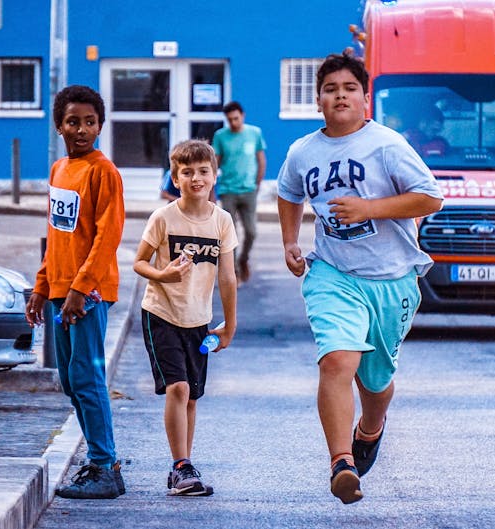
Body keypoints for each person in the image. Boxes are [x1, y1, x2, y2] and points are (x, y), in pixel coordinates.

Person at [277, 49, 444, 505]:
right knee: (336, 361)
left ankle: (370, 428)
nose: (340, 96)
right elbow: (288, 192)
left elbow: (431, 198)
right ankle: (341, 462)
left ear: (365, 98)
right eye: (330, 89)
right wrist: (291, 241)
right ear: (318, 101)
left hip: (391, 279)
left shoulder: (386, 145)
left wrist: (370, 208)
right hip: (332, 272)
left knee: (375, 380)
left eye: (349, 88)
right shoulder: (302, 151)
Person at [24, 85, 126, 499]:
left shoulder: (104, 172)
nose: (81, 130)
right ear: (59, 125)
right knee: (69, 379)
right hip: (59, 291)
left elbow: (107, 238)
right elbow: (56, 234)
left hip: (88, 293)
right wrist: (42, 285)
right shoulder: (59, 170)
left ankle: (105, 464)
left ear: (100, 125)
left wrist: (82, 289)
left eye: (89, 122)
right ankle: (100, 461)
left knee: (87, 376)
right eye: (73, 122)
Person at [133, 139, 238, 496]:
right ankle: (180, 466)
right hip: (161, 313)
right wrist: (164, 275)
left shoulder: (222, 221)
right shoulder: (163, 218)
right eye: (187, 172)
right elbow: (140, 261)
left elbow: (227, 277)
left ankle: (184, 464)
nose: (196, 178)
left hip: (199, 319)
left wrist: (230, 326)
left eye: (203, 171)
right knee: (177, 388)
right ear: (174, 178)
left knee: (191, 396)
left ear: (214, 176)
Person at [213, 101, 266, 284]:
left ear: (242, 115)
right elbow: (214, 164)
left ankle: (244, 259)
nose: (233, 123)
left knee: (251, 231)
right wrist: (210, 190)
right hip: (228, 190)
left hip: (249, 190)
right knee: (230, 234)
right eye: (229, 120)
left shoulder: (254, 133)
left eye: (236, 118)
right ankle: (233, 270)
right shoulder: (220, 136)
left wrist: (257, 183)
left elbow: (261, 159)